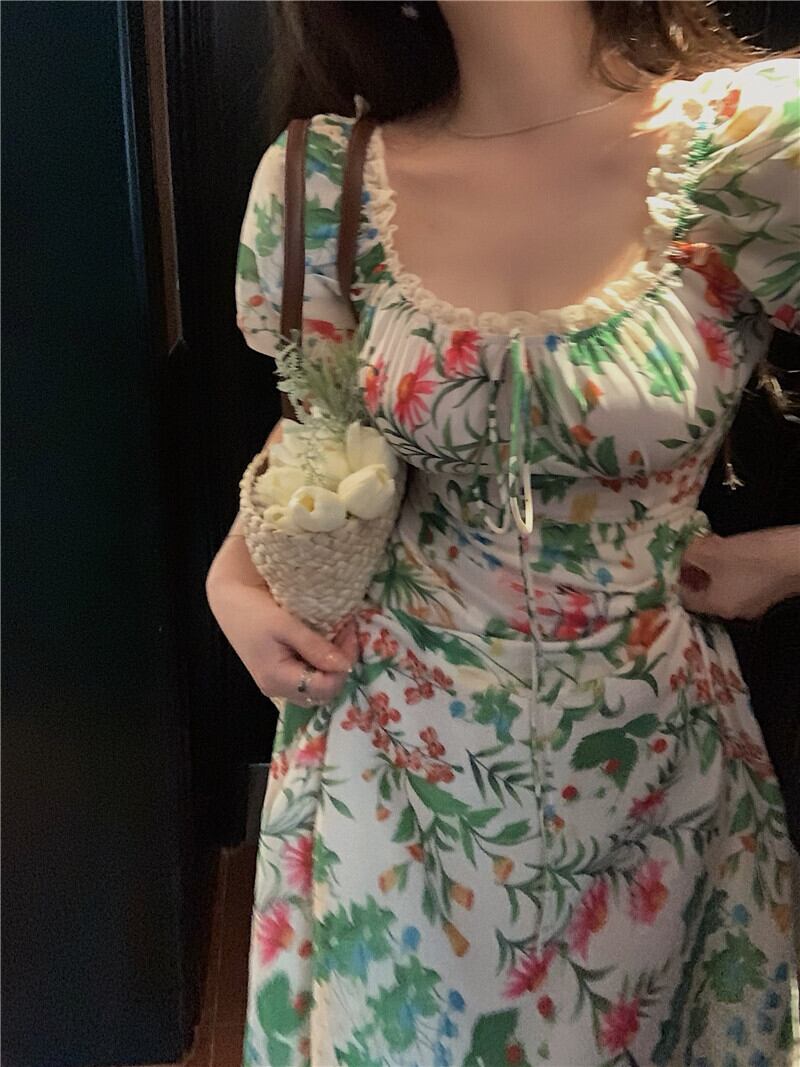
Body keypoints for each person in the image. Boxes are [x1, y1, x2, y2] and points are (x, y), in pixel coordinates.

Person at [206, 2, 800, 1063]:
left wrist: (784, 558)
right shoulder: (328, 183)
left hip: (646, 764)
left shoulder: (753, 149)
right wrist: (230, 578)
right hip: (390, 766)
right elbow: (321, 425)